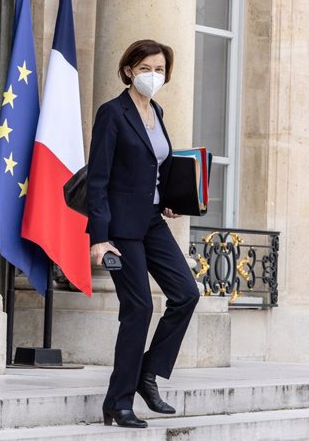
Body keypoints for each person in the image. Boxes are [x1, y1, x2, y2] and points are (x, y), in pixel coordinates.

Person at [86, 39, 200, 429]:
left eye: (161, 69)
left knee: (186, 294)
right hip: (120, 228)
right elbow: (97, 180)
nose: (155, 75)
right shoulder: (112, 113)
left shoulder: (157, 111)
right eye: (147, 68)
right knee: (138, 309)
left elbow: (155, 165)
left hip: (152, 221)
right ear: (130, 69)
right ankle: (118, 403)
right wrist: (99, 238)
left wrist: (170, 198)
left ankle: (146, 374)